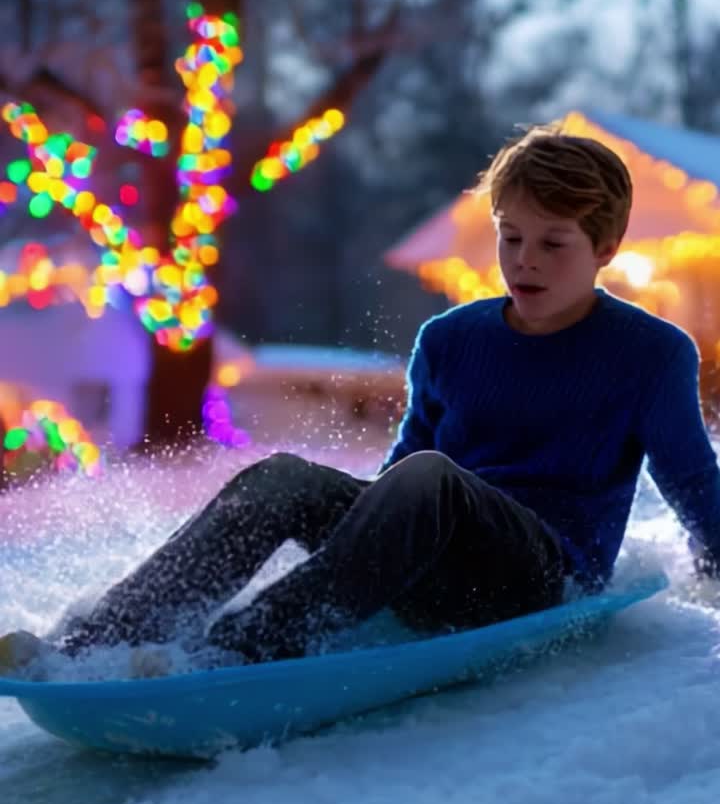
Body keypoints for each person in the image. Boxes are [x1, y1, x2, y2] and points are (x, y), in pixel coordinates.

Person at [3, 123, 720, 680]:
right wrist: (355, 534)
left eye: (553, 244)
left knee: (431, 476)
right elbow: (398, 475)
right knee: (284, 476)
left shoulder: (650, 353)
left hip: (536, 574)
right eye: (511, 237)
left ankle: (242, 648)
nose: (525, 259)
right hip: (426, 543)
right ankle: (96, 643)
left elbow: (690, 478)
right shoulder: (449, 339)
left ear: (606, 246)